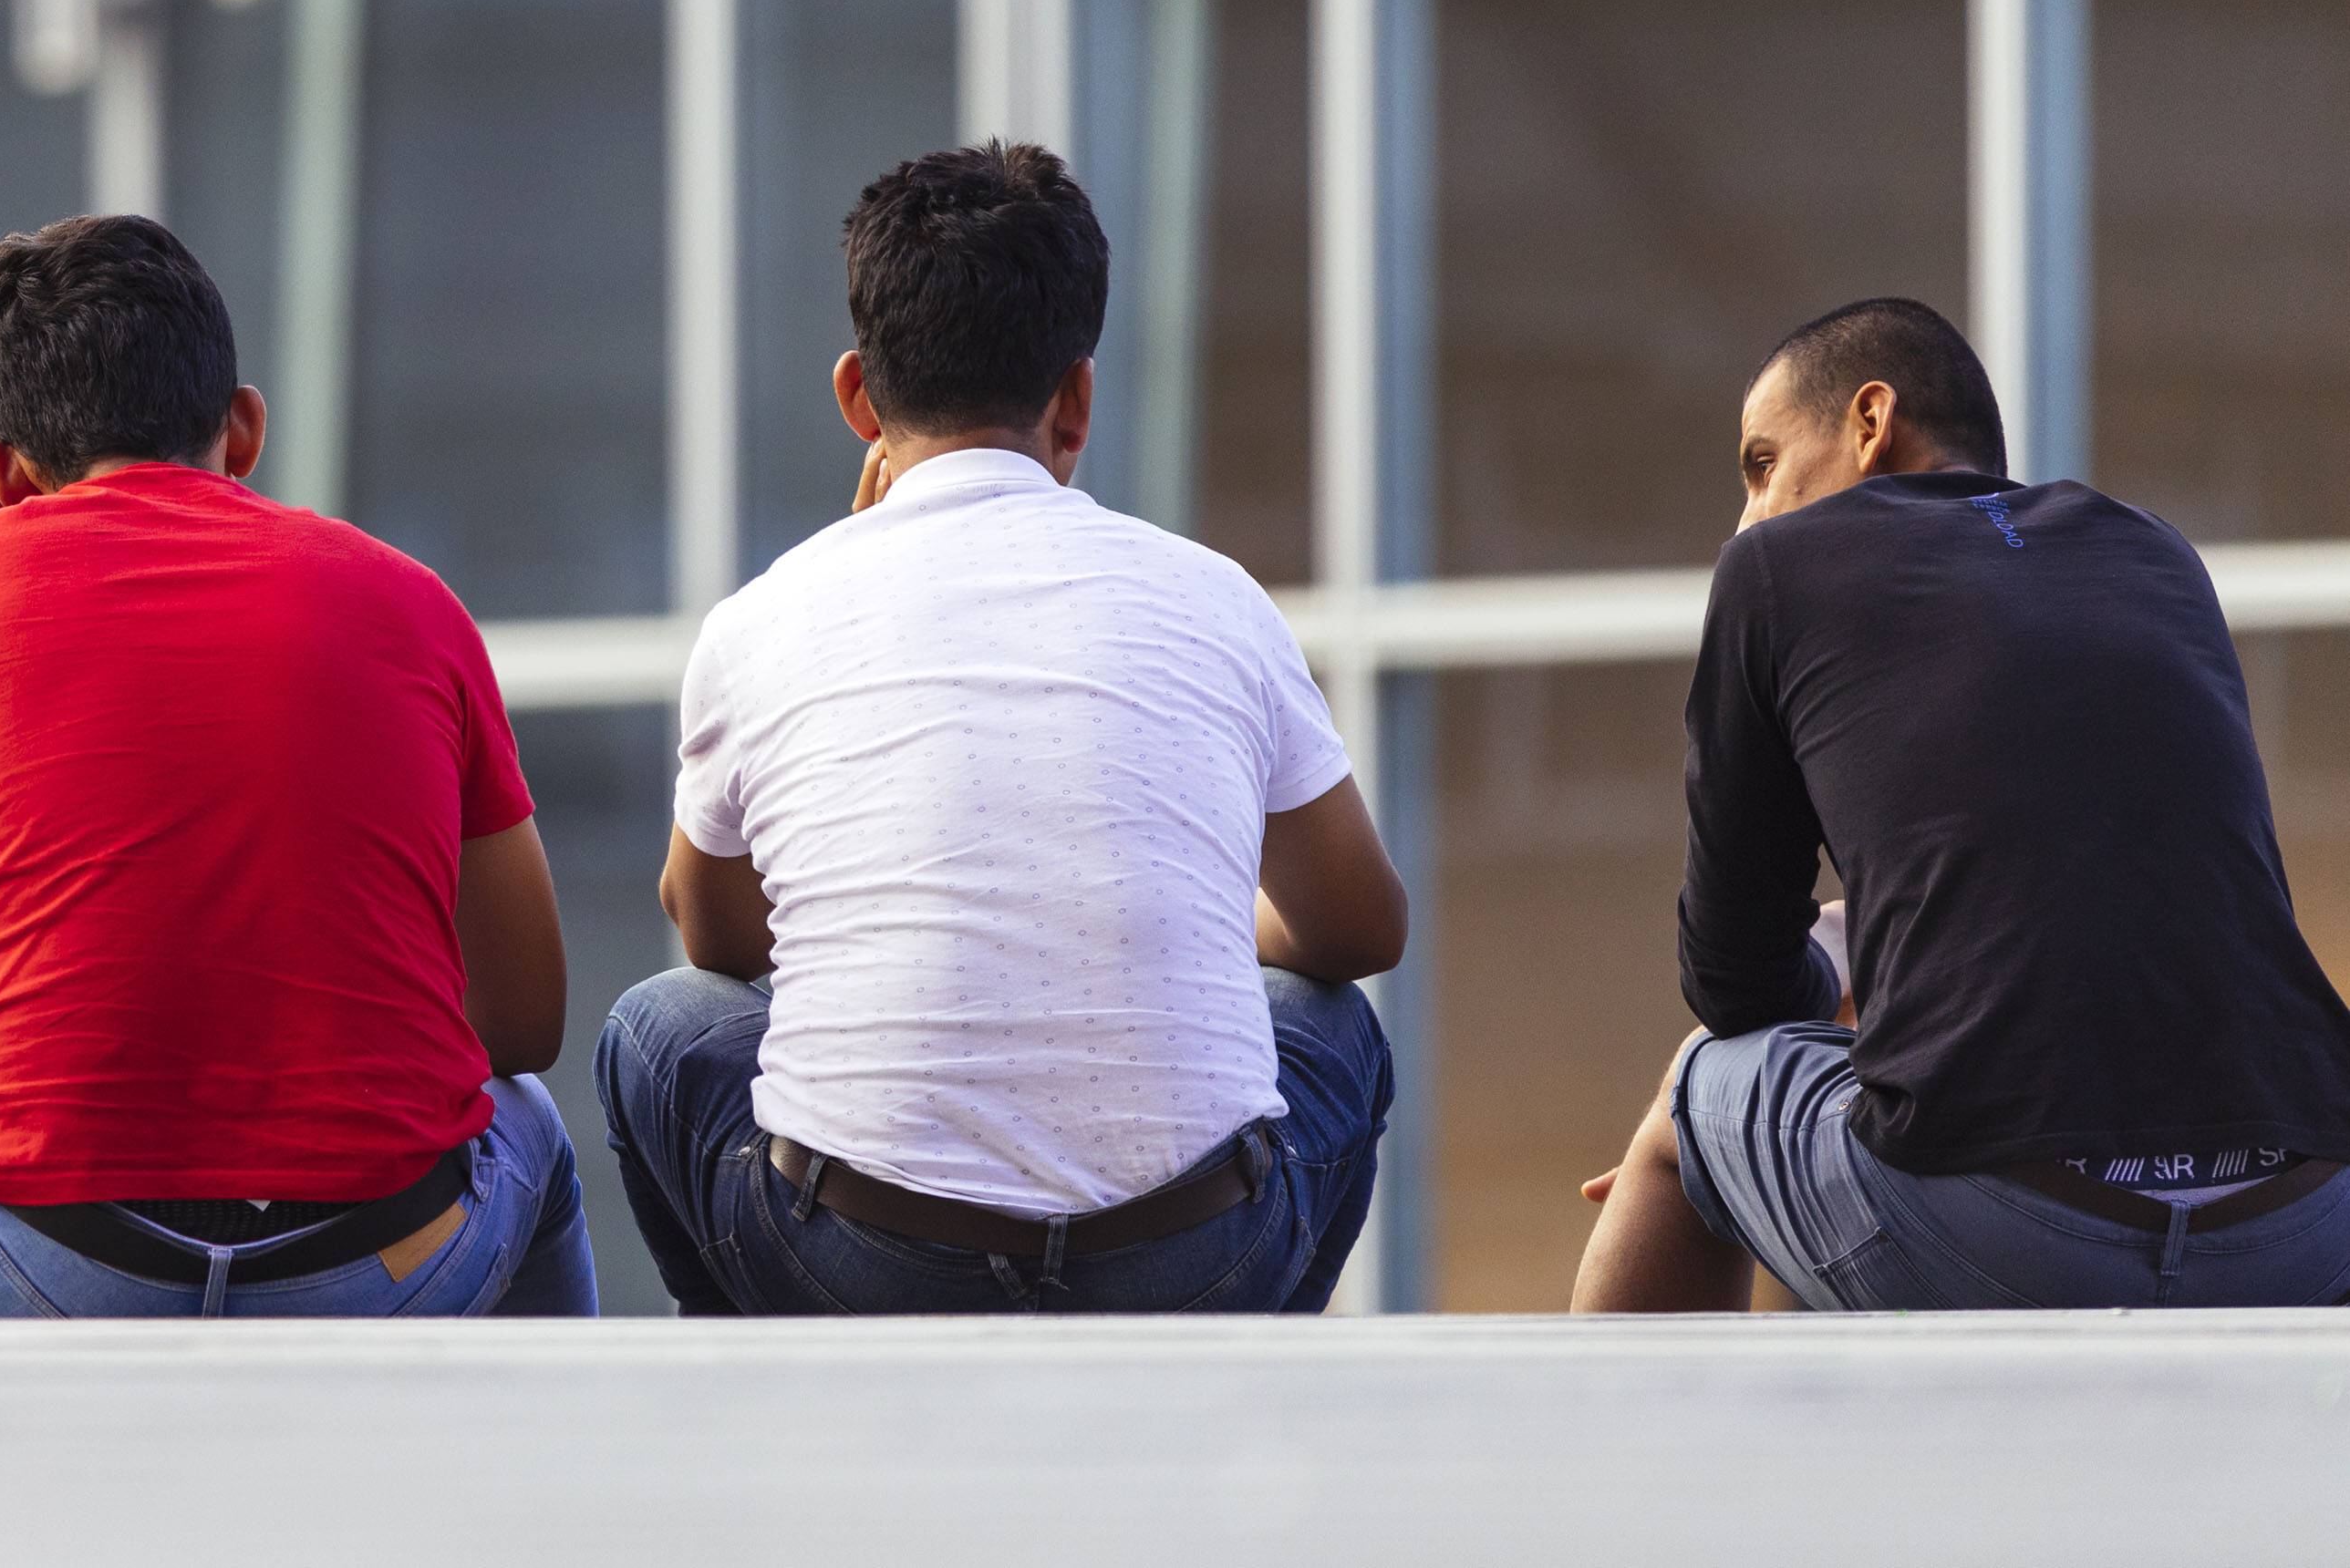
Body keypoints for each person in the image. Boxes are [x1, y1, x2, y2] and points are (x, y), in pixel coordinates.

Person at [0, 212, 593, 1318]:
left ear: (6, 469)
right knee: (526, 1121)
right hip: (380, 1263)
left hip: (48, 1259)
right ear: (244, 427)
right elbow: (523, 1023)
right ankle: (532, 1463)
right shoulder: (411, 599)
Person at [597, 142, 1410, 1315]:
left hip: (861, 1258)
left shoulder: (759, 618)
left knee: (655, 1027)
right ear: (1074, 397)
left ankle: (770, 1390)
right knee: (1321, 1020)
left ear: (855, 396)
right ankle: (1247, 1367)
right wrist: (1173, 907)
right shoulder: (1214, 596)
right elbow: (1358, 928)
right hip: (1190, 1254)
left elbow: (717, 943)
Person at [1568, 298, 2350, 1311]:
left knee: (1698, 1088)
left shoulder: (1774, 564)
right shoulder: (2155, 551)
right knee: (1876, 1099)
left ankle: (1613, 1471)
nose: (1747, 513)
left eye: (1761, 463)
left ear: (1869, 418)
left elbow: (1732, 983)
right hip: (2302, 1217)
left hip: (2010, 1225)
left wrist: (1837, 953)